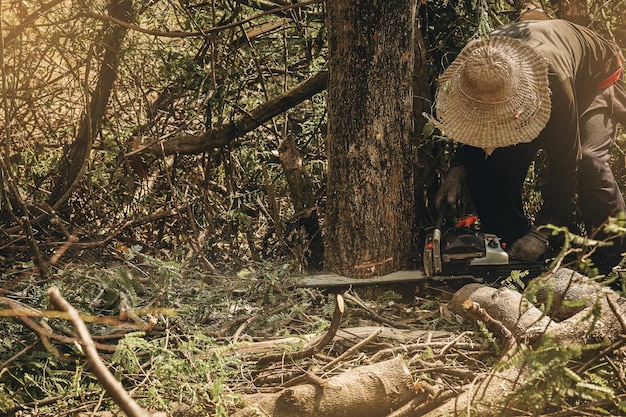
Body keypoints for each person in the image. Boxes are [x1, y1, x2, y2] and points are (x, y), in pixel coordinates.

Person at [432, 19, 626, 269]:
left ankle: (607, 258)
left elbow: (568, 161)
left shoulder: (554, 78)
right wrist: (458, 168)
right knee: (490, 165)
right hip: (534, 76)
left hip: (593, 78)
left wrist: (542, 232)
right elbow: (478, 127)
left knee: (590, 161)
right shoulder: (480, 66)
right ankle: (511, 248)